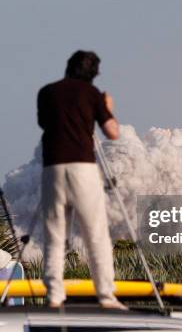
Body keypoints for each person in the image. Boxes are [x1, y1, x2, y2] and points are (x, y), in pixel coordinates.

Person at [37, 50, 125, 309]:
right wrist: (107, 109)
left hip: (52, 169)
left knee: (54, 236)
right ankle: (107, 296)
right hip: (82, 168)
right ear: (93, 74)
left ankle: (54, 295)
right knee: (95, 234)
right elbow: (113, 133)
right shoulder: (92, 94)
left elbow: (45, 124)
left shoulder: (47, 92)